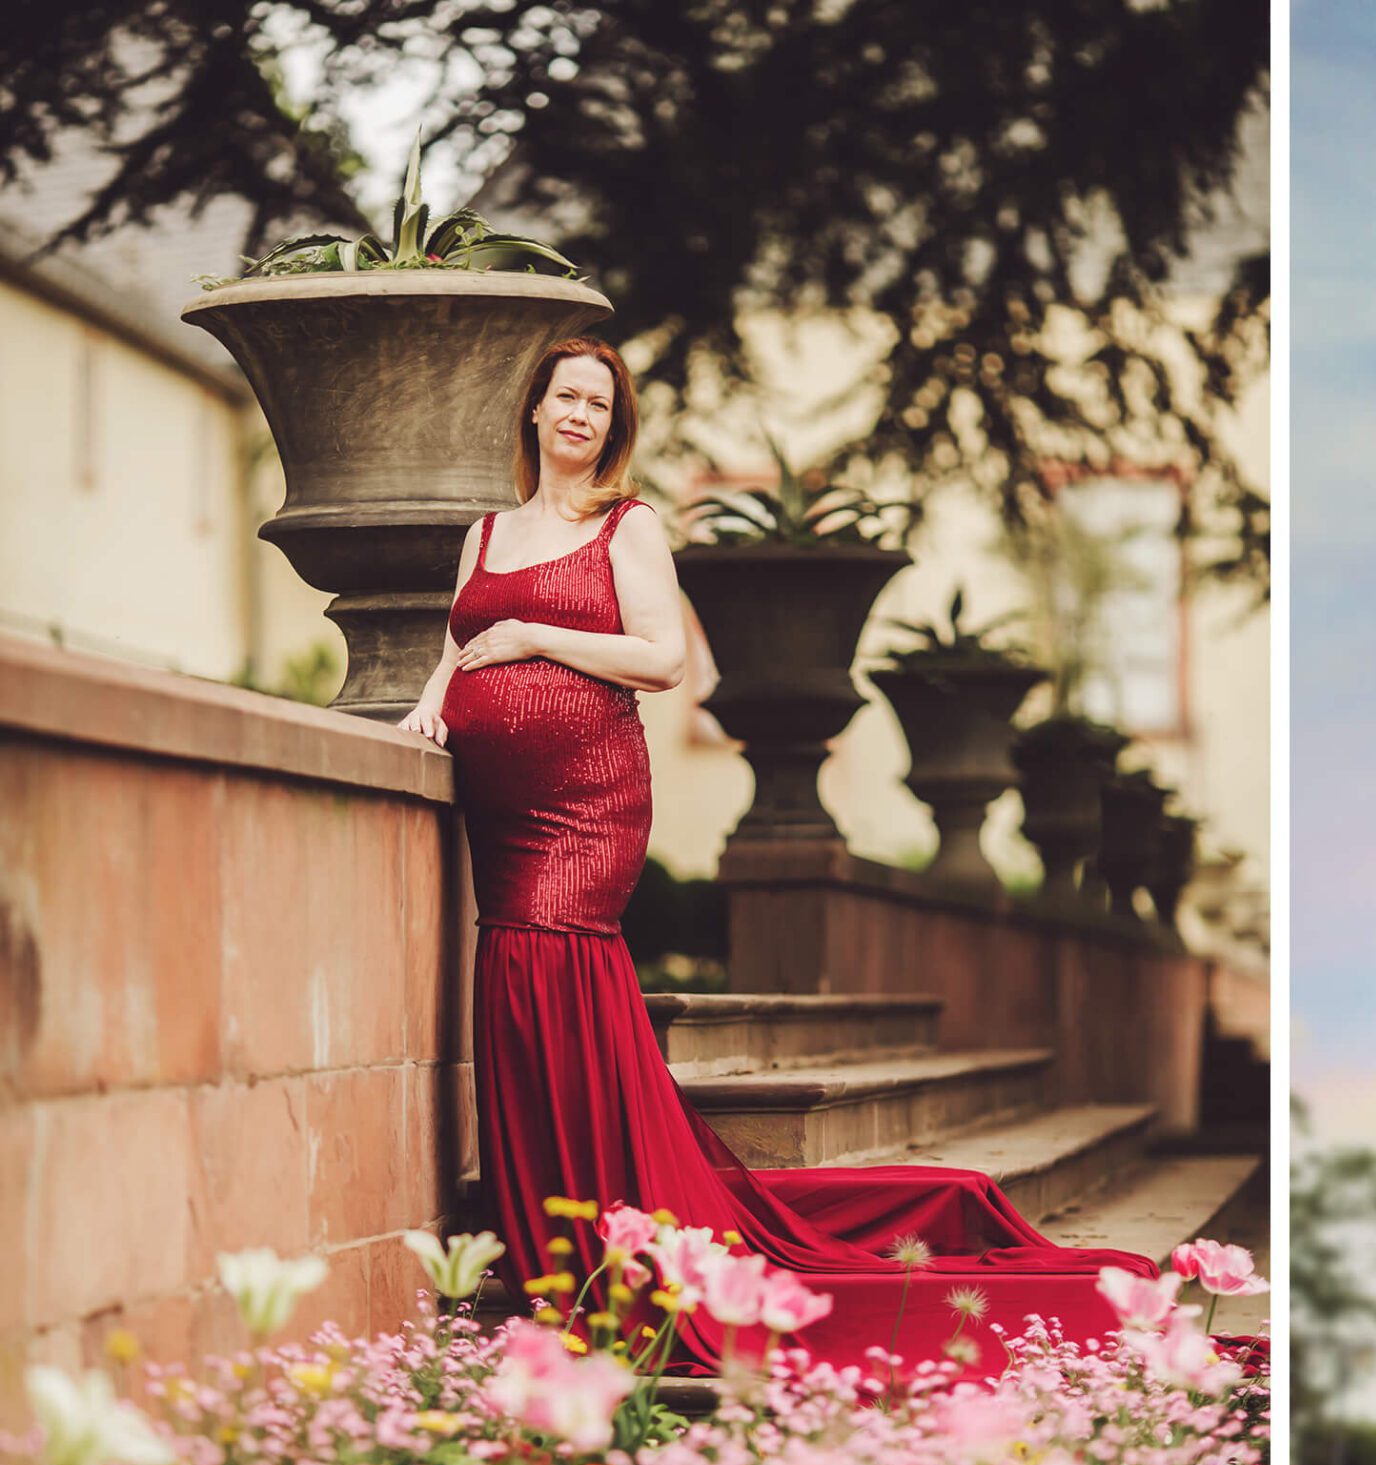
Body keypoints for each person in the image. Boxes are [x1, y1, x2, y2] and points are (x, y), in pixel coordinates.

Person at [397, 336, 1153, 1377]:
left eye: (598, 405)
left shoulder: (626, 525)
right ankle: (552, 1220)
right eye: (565, 397)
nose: (579, 415)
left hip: (586, 802)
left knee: (544, 955)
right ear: (531, 411)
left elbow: (660, 659)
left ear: (613, 429)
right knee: (512, 963)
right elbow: (454, 640)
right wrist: (435, 704)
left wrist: (535, 635)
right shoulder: (484, 532)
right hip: (500, 800)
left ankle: (585, 1227)